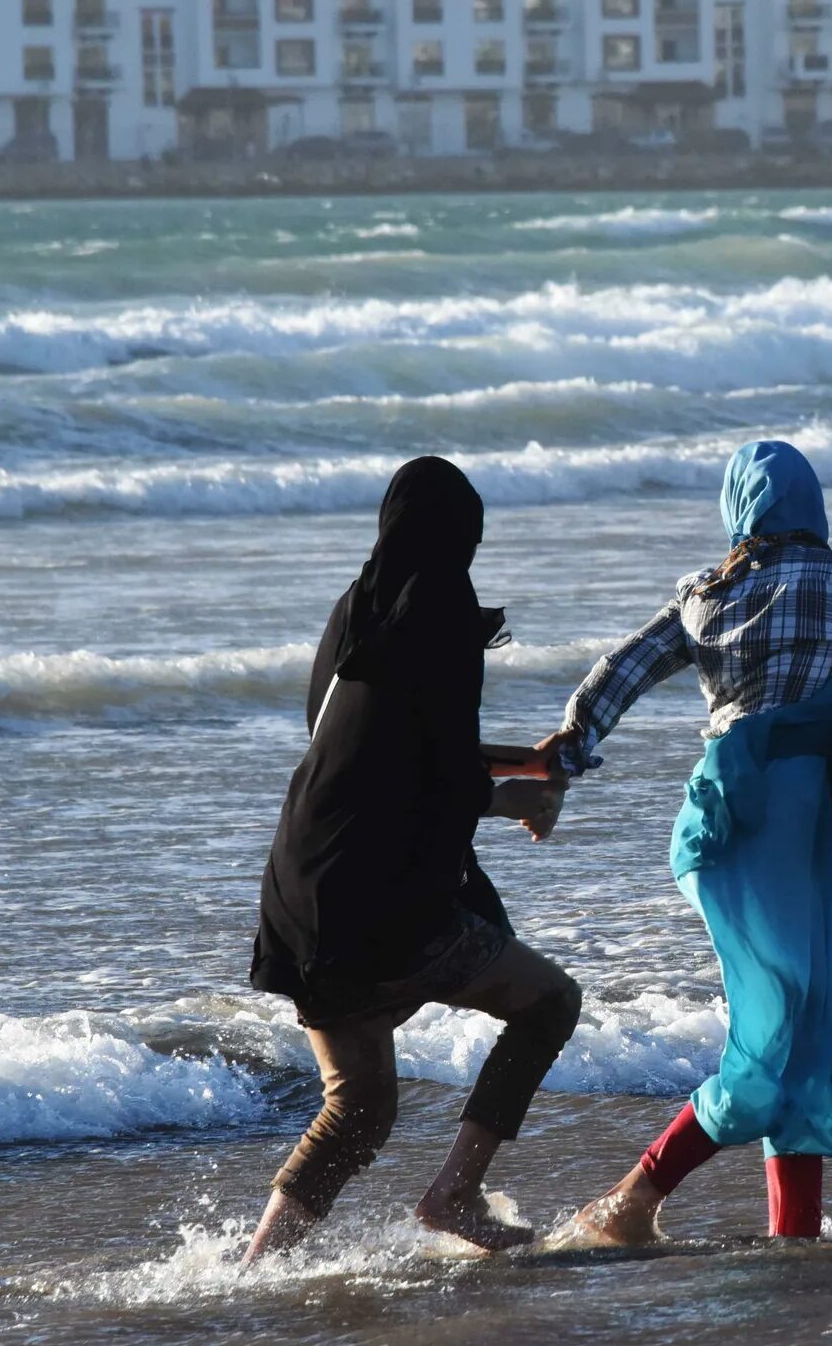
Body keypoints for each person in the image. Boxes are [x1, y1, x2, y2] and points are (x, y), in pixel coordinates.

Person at [538, 440, 832, 1246]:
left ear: (738, 513)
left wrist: (567, 751)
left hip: (720, 823)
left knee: (804, 1028)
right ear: (814, 510)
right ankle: (630, 1201)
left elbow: (613, 674)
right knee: (778, 1038)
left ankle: (793, 1235)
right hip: (786, 828)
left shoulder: (704, 590)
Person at [242, 456, 581, 1261]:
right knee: (548, 1005)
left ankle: (254, 1271)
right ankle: (454, 1193)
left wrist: (520, 763)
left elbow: (374, 749)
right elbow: (434, 775)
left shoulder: (358, 609)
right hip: (381, 909)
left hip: (299, 893)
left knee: (357, 1109)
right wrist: (511, 799)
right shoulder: (441, 604)